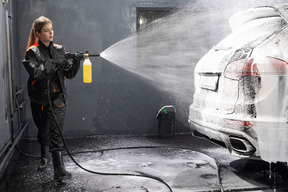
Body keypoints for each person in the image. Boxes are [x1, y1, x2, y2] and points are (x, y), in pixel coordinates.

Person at [22, 16, 83, 182]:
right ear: (38, 33)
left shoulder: (59, 49)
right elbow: (38, 73)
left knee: (56, 132)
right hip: (40, 99)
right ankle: (43, 156)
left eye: (52, 29)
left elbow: (69, 74)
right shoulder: (31, 52)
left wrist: (76, 62)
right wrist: (57, 62)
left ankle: (59, 169)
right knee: (44, 132)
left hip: (58, 98)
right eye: (47, 30)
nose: (51, 33)